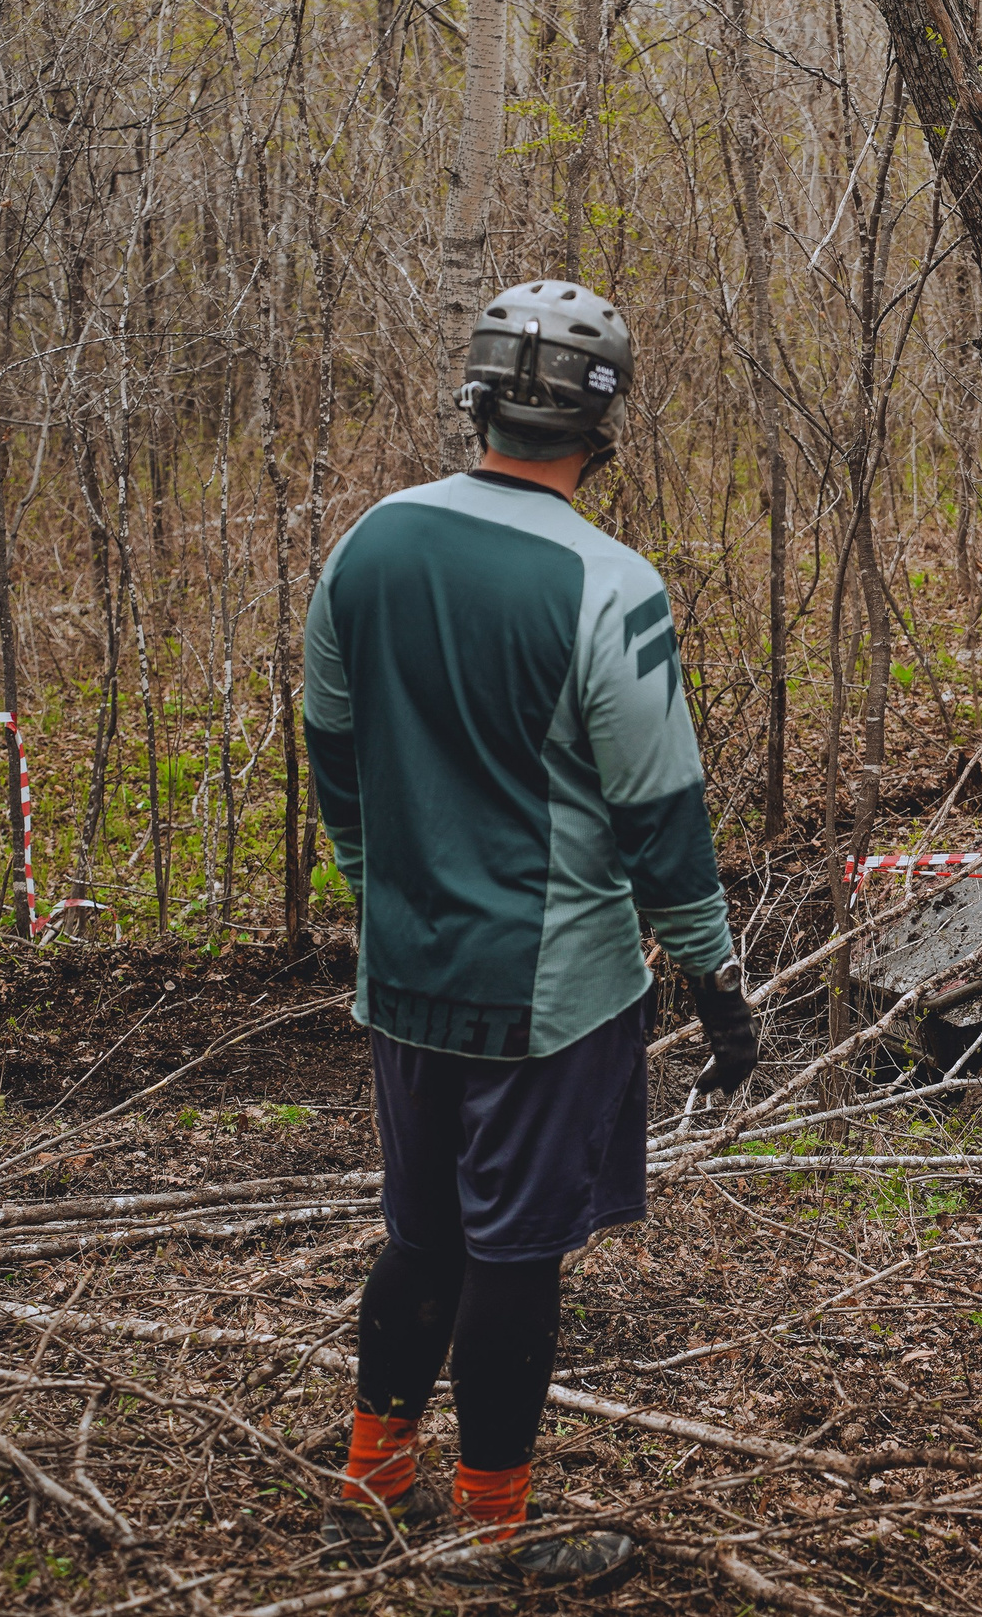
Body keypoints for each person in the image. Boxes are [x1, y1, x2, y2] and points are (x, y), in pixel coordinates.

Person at [304, 281, 766, 1587]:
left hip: (406, 970)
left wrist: (376, 882)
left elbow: (334, 746)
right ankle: (490, 1529)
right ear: (604, 429)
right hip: (549, 989)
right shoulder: (611, 586)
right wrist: (714, 978)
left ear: (477, 396)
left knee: (421, 1229)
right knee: (514, 1250)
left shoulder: (368, 543)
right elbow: (661, 813)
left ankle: (370, 1474)